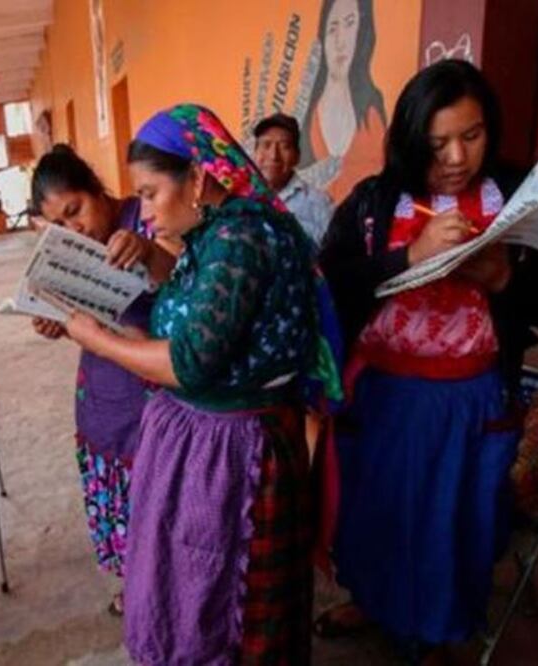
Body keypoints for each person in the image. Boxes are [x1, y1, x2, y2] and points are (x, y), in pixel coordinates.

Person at [316, 60, 538, 662]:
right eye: (437, 142)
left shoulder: (520, 196)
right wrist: (407, 256)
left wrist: (504, 277)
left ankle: (438, 631)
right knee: (376, 513)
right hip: (385, 397)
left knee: (453, 526)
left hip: (473, 404)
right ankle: (371, 598)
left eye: (471, 135)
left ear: (490, 130)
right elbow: (329, 286)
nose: (456, 157)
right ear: (412, 138)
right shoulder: (374, 201)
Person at [61, 104, 340, 664]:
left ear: (196, 177)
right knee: (191, 589)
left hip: (238, 454)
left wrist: (97, 340)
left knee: (224, 602)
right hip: (205, 444)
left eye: (148, 194)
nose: (142, 214)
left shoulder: (244, 239)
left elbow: (190, 359)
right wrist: (147, 262)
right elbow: (191, 302)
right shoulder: (216, 230)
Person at [28, 144, 174, 615]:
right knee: (120, 500)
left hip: (155, 396)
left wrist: (149, 252)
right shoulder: (73, 249)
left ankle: (169, 592)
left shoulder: (148, 218)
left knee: (163, 498)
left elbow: (185, 282)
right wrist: (55, 319)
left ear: (97, 188)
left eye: (76, 210)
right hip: (103, 394)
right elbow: (80, 315)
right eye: (60, 226)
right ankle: (138, 584)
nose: (76, 229)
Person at [299, 0, 388, 203]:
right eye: (333, 28)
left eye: (350, 24)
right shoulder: (307, 115)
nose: (340, 41)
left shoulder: (372, 109)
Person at [253, 113, 335, 245]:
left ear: (297, 157)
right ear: (255, 153)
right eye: (266, 145)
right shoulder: (241, 200)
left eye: (284, 146)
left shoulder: (318, 203)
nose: (274, 156)